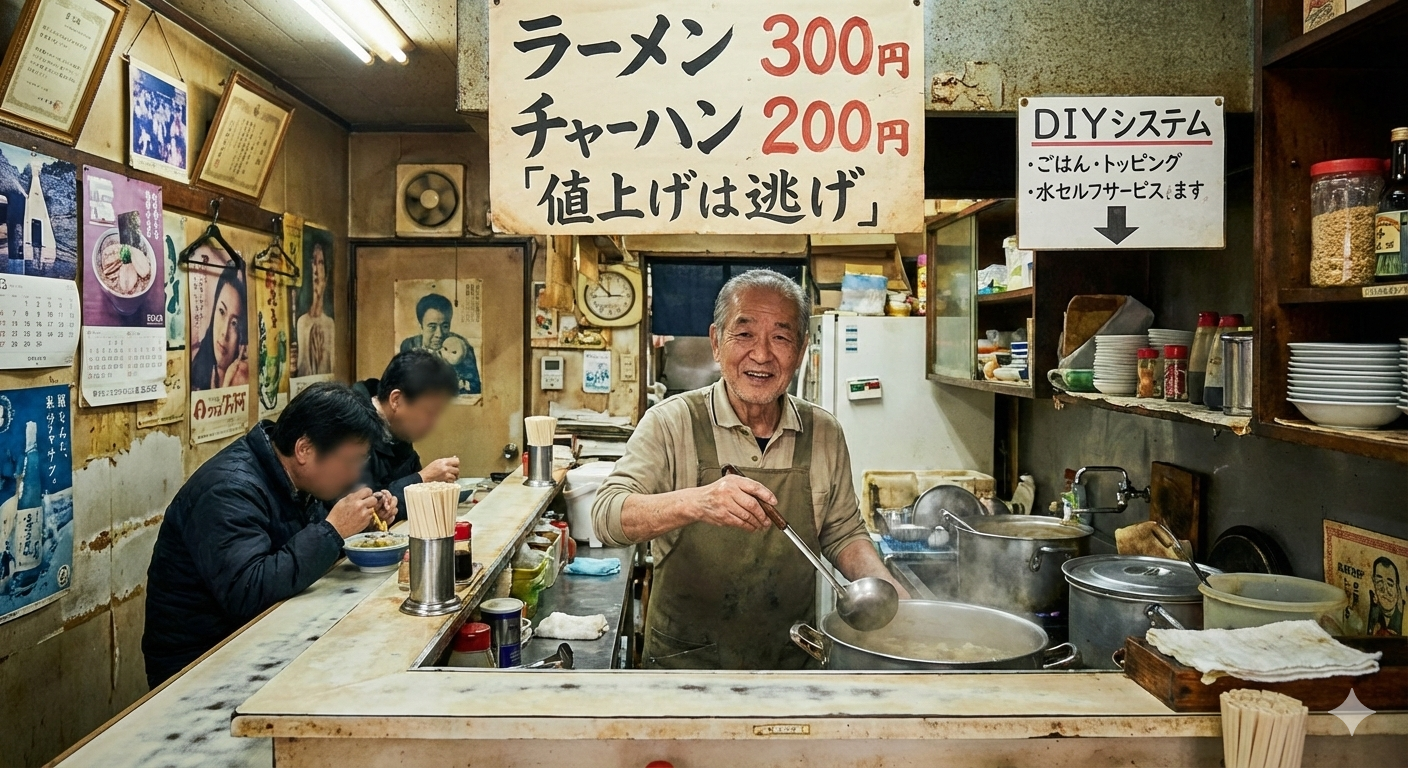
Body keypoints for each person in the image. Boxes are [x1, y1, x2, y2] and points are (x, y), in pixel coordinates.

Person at [592, 269, 907, 670]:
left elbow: (843, 532)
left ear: (802, 348)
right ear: (716, 343)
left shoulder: (824, 432)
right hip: (685, 666)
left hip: (791, 661)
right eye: (743, 334)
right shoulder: (671, 422)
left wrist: (890, 593)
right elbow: (606, 516)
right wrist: (698, 502)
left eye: (780, 336)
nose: (761, 354)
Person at [141, 383, 395, 688]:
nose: (356, 474)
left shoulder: (294, 478)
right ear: (304, 449)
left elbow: (299, 552)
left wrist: (360, 526)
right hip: (202, 666)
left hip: (262, 642)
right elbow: (248, 591)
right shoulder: (229, 489)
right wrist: (334, 530)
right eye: (351, 461)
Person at [353, 349, 461, 513]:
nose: (433, 423)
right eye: (428, 412)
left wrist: (432, 481)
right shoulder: (351, 428)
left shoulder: (397, 429)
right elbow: (363, 508)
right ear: (396, 400)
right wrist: (424, 478)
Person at [399, 292, 481, 396]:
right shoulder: (409, 346)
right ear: (421, 326)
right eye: (432, 327)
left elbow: (475, 387)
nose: (439, 334)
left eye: (445, 326)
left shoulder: (461, 347)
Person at [190, 266, 248, 391]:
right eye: (221, 311)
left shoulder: (243, 378)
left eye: (234, 323)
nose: (224, 333)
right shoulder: (195, 366)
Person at [296, 241, 335, 377]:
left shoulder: (330, 324)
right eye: (313, 262)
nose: (315, 270)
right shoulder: (302, 322)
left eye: (321, 263)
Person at [1369, 557, 1404, 636]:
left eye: (1390, 584)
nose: (1385, 589)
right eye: (1379, 582)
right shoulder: (1372, 612)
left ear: (1398, 589)